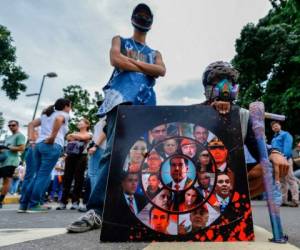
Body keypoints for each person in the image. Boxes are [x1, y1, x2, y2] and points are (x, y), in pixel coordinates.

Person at [67, 3, 166, 233]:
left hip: (146, 104)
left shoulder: (155, 52)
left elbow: (161, 70)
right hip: (120, 99)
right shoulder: (119, 40)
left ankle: (135, 209)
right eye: (139, 14)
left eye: (146, 15)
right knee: (112, 154)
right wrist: (146, 68)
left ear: (151, 22)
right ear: (132, 18)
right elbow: (115, 60)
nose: (143, 17)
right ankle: (96, 210)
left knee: (143, 155)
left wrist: (132, 64)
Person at [200, 61, 289, 199]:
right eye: (218, 80)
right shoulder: (193, 112)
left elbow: (258, 148)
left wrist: (274, 153)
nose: (225, 85)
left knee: (271, 167)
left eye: (229, 80)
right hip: (198, 174)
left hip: (231, 175)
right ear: (207, 86)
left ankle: (233, 200)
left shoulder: (243, 115)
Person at [19, 98, 71, 212]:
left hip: (38, 145)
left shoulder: (46, 115)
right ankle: (33, 205)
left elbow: (31, 124)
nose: (70, 109)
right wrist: (52, 137)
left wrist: (31, 140)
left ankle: (23, 205)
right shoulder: (63, 114)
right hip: (52, 145)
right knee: (42, 176)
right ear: (66, 106)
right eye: (70, 106)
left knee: (37, 176)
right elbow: (58, 119)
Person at [57, 118, 92, 210]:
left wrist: (74, 136)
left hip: (82, 156)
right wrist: (74, 135)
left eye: (81, 122)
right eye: (78, 122)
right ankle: (63, 202)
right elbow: (68, 137)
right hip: (71, 155)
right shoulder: (75, 132)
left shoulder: (89, 133)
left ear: (87, 125)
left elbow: (84, 138)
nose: (79, 123)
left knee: (79, 179)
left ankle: (75, 201)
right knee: (67, 178)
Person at [271, 121, 299, 207]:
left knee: (290, 179)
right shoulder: (273, 138)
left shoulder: (286, 134)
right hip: (277, 161)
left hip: (285, 159)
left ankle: (295, 200)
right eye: (273, 127)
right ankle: (284, 200)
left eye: (276, 126)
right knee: (282, 180)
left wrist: (284, 158)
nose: (275, 127)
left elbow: (287, 146)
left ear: (280, 126)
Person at [0, 120, 26, 208]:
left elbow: (22, 148)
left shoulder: (20, 136)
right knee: (4, 181)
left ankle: (0, 200)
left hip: (11, 161)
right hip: (3, 161)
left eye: (13, 125)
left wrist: (9, 148)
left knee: (6, 180)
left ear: (17, 126)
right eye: (9, 125)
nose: (11, 127)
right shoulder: (9, 137)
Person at [87, 102, 107, 191]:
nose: (99, 107)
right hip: (98, 147)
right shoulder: (103, 118)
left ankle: (94, 200)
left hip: (100, 148)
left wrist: (95, 146)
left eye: (102, 105)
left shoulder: (107, 118)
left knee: (93, 173)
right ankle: (95, 199)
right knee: (96, 174)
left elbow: (105, 132)